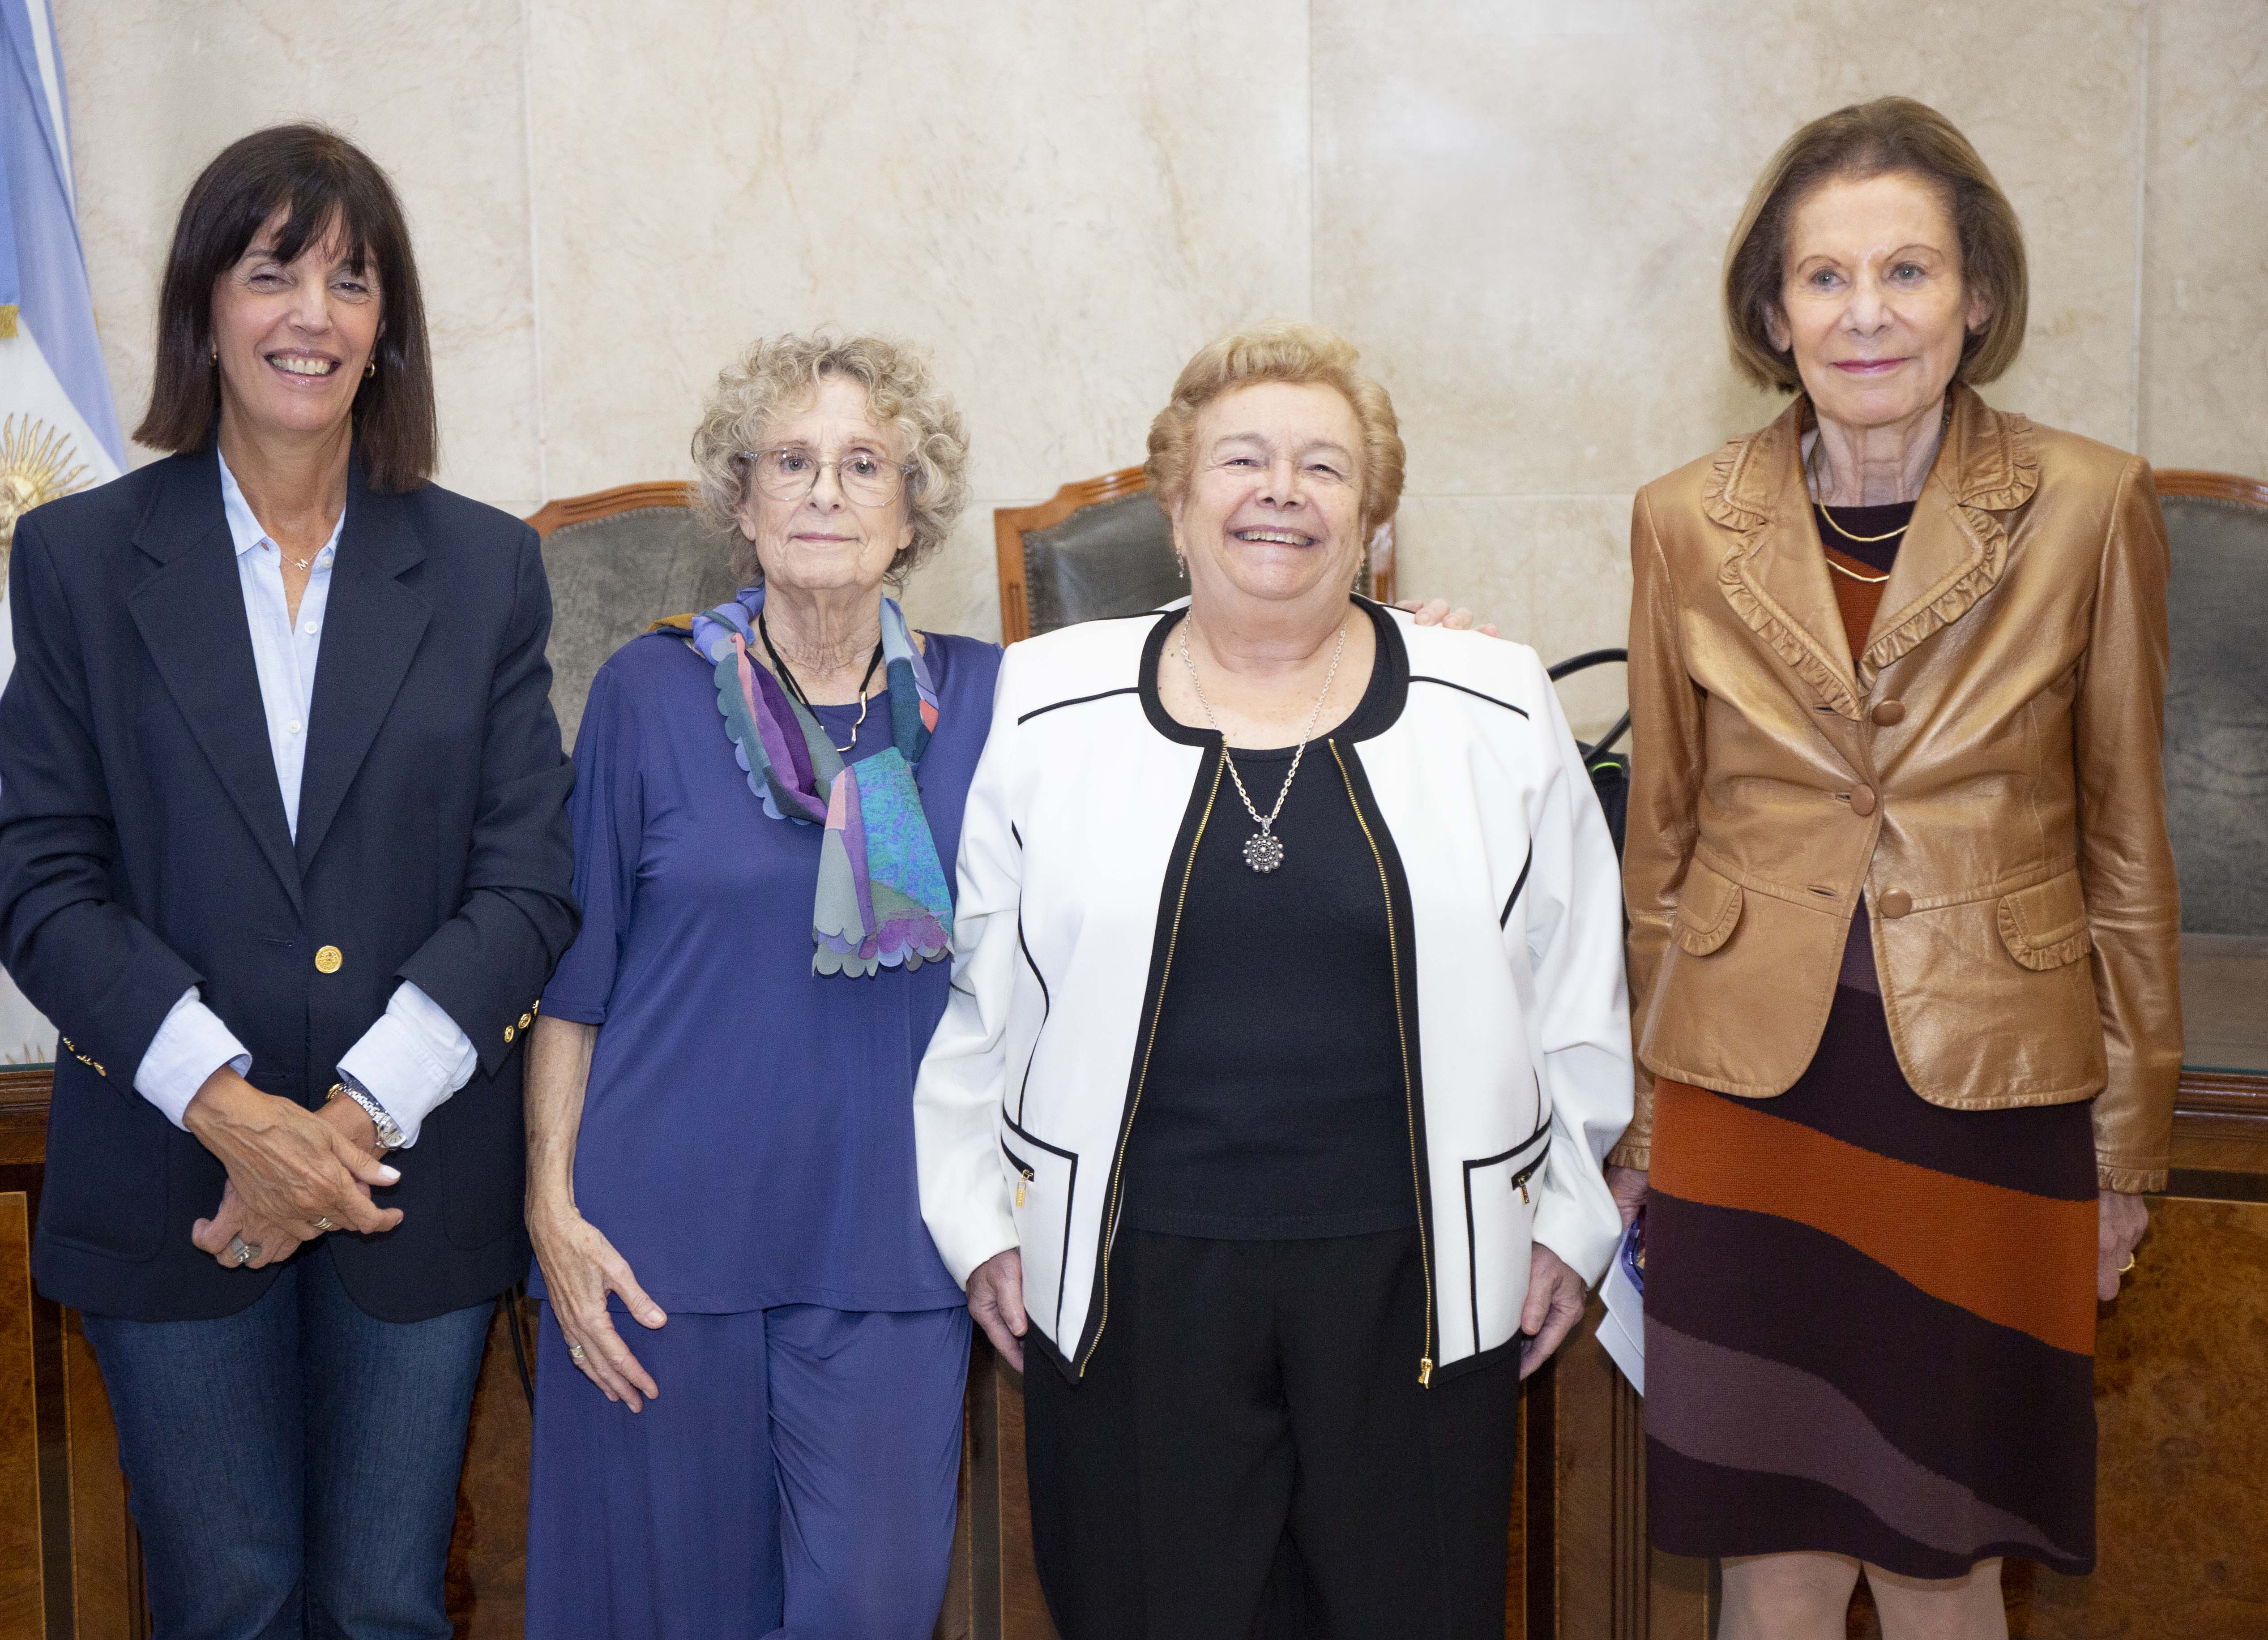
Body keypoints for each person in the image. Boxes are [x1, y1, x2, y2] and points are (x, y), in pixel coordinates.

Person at [913, 322, 1632, 1639]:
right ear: (1176, 505)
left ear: (1375, 522)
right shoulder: (1050, 702)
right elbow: (983, 999)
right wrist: (980, 1226)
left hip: (1424, 1279)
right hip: (1129, 1283)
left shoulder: (1494, 703)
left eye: (1325, 467)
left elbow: (1579, 992)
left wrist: (1572, 1229)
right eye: (1241, 461)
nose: (1282, 492)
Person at [0, 124, 578, 1639]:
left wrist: (351, 1125)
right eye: (273, 273)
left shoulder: (483, 566)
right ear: (205, 312)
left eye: (352, 282)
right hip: (171, 1170)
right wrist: (235, 1116)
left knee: (388, 1604)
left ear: (389, 335)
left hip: (410, 1181)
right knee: (229, 1603)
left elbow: (526, 885)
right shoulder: (78, 560)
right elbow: (46, 880)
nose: (313, 314)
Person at [1606, 98, 2178, 1638]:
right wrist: (1645, 1122)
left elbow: (2129, 849)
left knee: (1944, 1563)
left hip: (1990, 1087)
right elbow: (1660, 847)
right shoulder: (1679, 522)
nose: (1867, 314)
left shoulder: (2090, 505)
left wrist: (2124, 1153)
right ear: (1772, 312)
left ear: (1976, 298)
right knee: (1765, 1558)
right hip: (1746, 1093)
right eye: (1826, 278)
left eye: (1909, 273)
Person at [521, 334, 998, 1638]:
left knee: (872, 1609)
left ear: (915, 514)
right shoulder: (648, 694)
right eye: (791, 461)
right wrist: (551, 1210)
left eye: (864, 464)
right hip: (660, 1250)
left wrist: (1393, 634)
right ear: (741, 502)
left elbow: (1210, 693)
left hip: (898, 1246)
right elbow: (576, 981)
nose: (826, 491)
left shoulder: (998, 703)